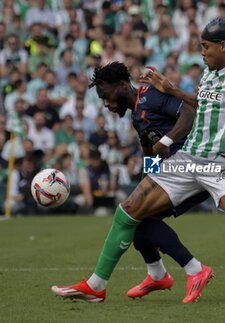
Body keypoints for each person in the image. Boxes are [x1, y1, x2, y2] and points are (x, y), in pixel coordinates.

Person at [51, 18, 225, 305]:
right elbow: (201, 106)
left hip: (220, 165)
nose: (202, 51)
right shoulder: (210, 74)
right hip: (189, 160)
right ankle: (99, 285)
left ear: (223, 46)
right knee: (128, 212)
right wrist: (173, 90)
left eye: (206, 46)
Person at [53, 61, 213, 303]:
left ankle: (192, 269)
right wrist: (145, 180)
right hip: (174, 172)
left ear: (121, 84)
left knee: (133, 214)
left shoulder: (151, 94)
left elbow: (189, 113)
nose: (106, 103)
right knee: (136, 217)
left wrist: (166, 142)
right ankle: (158, 274)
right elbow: (150, 150)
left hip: (193, 170)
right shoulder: (138, 115)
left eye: (106, 95)